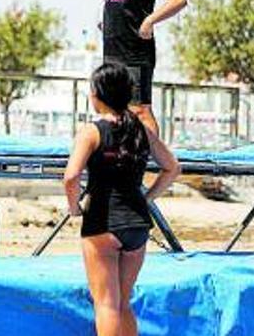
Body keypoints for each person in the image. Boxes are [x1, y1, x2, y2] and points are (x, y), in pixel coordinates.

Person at [63, 62, 181, 336]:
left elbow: (71, 177)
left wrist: (74, 208)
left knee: (106, 305)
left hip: (102, 223)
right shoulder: (141, 129)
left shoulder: (92, 131)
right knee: (122, 303)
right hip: (137, 224)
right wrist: (147, 197)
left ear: (97, 95)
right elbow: (172, 168)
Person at [100, 0, 187, 134]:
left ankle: (154, 158)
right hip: (113, 53)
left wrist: (150, 21)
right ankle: (125, 153)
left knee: (140, 110)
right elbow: (118, 5)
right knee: (116, 108)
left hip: (135, 55)